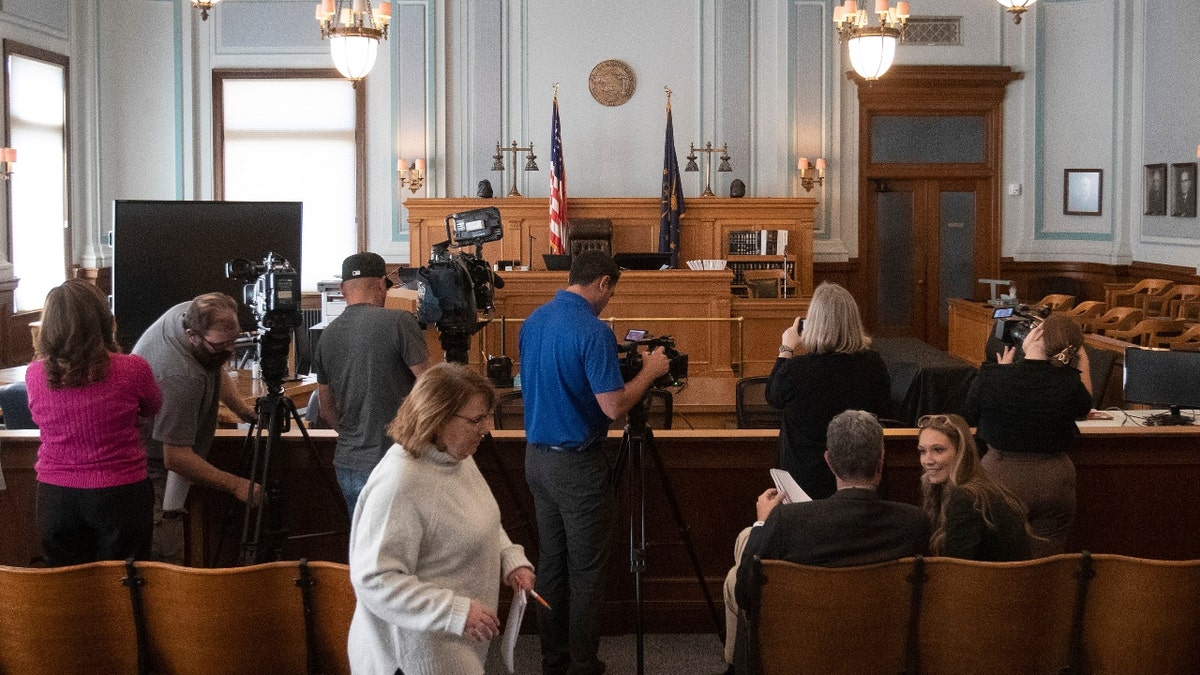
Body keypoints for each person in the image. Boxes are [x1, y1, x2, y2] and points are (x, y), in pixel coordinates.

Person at [519, 250, 670, 675]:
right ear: (603, 282)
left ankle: (553, 658)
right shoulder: (593, 330)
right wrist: (651, 371)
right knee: (585, 571)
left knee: (551, 562)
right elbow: (614, 406)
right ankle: (584, 664)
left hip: (536, 460)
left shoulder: (532, 321)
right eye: (611, 290)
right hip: (577, 468)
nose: (610, 299)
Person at [347, 362, 535, 675]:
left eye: (486, 416)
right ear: (437, 417)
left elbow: (480, 520)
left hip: (451, 641)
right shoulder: (400, 480)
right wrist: (454, 611)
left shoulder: (455, 457)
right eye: (476, 419)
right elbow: (374, 579)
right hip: (412, 653)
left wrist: (510, 558)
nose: (486, 428)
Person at [723, 410, 929, 674]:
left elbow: (744, 593)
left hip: (801, 654)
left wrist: (763, 523)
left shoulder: (788, 520)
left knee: (739, 565)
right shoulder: (914, 523)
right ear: (882, 458)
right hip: (881, 654)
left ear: (829, 461)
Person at [25, 279, 162, 566]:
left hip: (56, 495)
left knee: (69, 588)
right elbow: (154, 406)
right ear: (103, 319)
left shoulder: (34, 374)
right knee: (126, 587)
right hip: (120, 491)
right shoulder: (133, 368)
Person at [133, 292, 260, 564]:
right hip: (151, 469)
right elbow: (175, 457)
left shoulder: (187, 314)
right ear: (192, 335)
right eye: (221, 346)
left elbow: (215, 364)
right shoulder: (180, 376)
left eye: (233, 341)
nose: (229, 353)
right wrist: (237, 485)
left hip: (164, 456)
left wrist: (242, 410)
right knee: (166, 558)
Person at [963, 313, 1093, 557]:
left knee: (996, 557)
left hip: (1000, 477)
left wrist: (1002, 373)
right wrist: (1082, 357)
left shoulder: (992, 376)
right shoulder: (1069, 383)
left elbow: (968, 415)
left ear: (1038, 335)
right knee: (1046, 562)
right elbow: (1085, 403)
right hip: (1053, 478)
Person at [311, 251, 429, 515]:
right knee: (400, 551)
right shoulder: (399, 321)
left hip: (348, 464)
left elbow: (325, 408)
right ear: (380, 284)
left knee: (365, 549)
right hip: (394, 462)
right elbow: (430, 387)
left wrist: (355, 437)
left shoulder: (326, 336)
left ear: (342, 289)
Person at [766, 281, 891, 499]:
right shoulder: (873, 364)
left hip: (804, 483)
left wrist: (786, 348)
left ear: (813, 323)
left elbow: (773, 397)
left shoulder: (797, 369)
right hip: (859, 478)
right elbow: (884, 403)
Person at [918, 413, 1032, 561]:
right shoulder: (978, 488)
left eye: (938, 450)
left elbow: (956, 570)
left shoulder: (965, 497)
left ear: (961, 453)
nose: (927, 460)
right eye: (922, 451)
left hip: (996, 582)